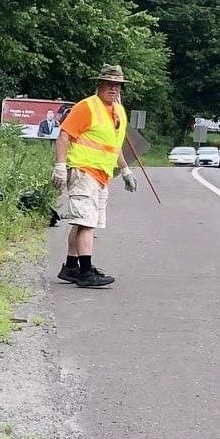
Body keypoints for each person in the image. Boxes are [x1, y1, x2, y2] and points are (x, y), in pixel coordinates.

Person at [50, 65, 136, 289]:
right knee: (87, 223)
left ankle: (70, 267)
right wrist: (60, 166)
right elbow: (64, 136)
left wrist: (125, 171)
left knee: (83, 222)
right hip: (82, 171)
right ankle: (86, 272)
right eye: (109, 84)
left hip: (102, 176)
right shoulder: (87, 107)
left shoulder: (118, 112)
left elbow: (113, 147)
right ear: (99, 85)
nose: (113, 89)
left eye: (117, 85)